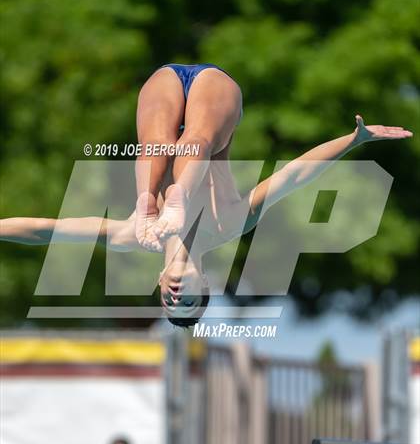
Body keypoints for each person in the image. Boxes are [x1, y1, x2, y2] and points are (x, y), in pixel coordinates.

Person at [0, 60, 413, 326]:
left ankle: (151, 198)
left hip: (163, 86)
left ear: (160, 284)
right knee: (196, 142)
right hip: (215, 94)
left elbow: (46, 230)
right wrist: (353, 141)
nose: (177, 296)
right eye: (189, 301)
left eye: (170, 301)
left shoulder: (132, 237)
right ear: (206, 287)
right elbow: (294, 176)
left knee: (156, 144)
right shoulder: (228, 224)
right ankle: (172, 195)